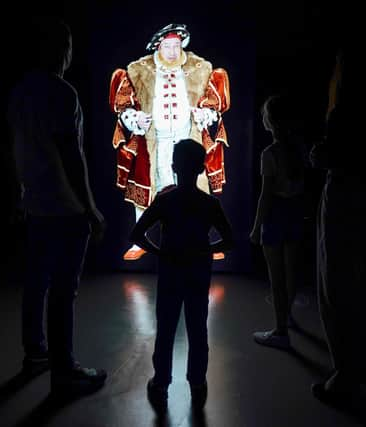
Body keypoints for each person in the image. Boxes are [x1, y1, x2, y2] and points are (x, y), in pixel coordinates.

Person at [6, 17, 107, 396]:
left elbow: (13, 148)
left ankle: (36, 355)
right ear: (62, 50)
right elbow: (71, 155)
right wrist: (90, 207)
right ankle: (64, 371)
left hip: (35, 206)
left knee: (35, 285)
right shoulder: (62, 94)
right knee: (64, 292)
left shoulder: (19, 92)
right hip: (65, 210)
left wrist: (17, 192)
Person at [109, 23, 230, 261]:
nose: (173, 51)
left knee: (195, 187)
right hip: (156, 139)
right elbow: (124, 103)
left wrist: (206, 113)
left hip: (189, 138)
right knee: (154, 185)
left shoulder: (200, 67)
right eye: (167, 46)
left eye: (176, 45)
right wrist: (134, 117)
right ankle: (141, 240)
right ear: (158, 46)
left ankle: (204, 239)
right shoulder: (138, 69)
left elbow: (212, 100)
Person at [129, 139, 233, 412]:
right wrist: (204, 250)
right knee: (198, 329)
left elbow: (136, 234)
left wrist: (160, 252)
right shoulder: (210, 204)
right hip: (198, 274)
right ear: (201, 168)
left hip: (170, 274)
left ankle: (161, 381)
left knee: (166, 329)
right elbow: (229, 240)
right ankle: (197, 383)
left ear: (173, 166)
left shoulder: (165, 201)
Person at [309, 50, 366, 406]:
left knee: (335, 284)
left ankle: (344, 375)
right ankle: (362, 362)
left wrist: (321, 156)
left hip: (344, 194)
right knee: (360, 279)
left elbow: (340, 156)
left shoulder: (345, 112)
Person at [249, 95, 306, 350]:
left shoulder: (269, 154)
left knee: (276, 278)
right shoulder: (299, 149)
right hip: (295, 213)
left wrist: (255, 227)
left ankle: (280, 331)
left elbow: (266, 195)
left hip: (275, 216)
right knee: (291, 272)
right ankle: (289, 317)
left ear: (270, 121)